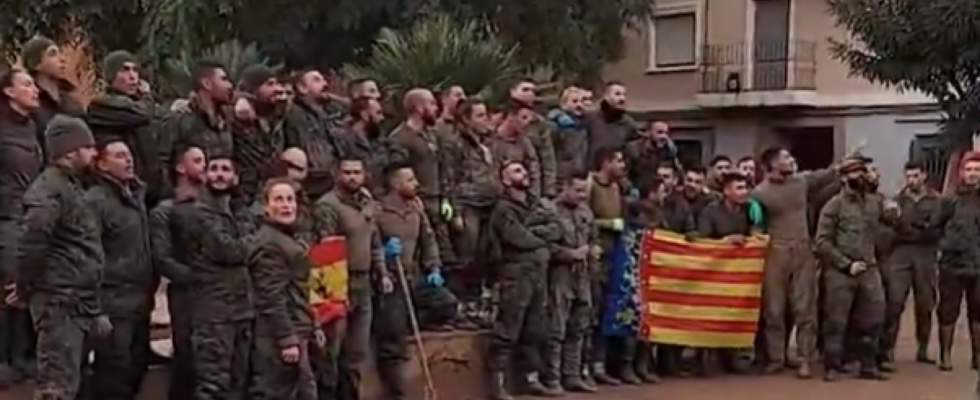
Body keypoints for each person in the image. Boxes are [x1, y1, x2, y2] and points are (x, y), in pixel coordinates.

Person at [16, 115, 111, 400]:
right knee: (56, 387)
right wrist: (26, 286)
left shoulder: (71, 187)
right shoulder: (49, 190)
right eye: (89, 146)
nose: (94, 153)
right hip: (59, 302)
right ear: (70, 151)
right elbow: (32, 240)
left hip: (77, 301)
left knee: (72, 381)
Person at [171, 153, 254, 399]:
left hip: (242, 310)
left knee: (238, 384)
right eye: (214, 169)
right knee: (212, 386)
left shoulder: (240, 211)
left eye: (226, 169)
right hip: (213, 313)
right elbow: (228, 250)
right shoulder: (198, 213)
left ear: (235, 177)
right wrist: (252, 242)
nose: (219, 174)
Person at [751, 146, 838, 378]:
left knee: (805, 308)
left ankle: (805, 359)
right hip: (774, 252)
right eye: (786, 157)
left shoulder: (802, 181)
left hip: (802, 250)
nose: (791, 160)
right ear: (772, 164)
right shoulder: (759, 194)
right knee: (774, 309)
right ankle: (775, 357)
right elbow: (754, 224)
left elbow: (830, 173)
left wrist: (852, 158)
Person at [373, 162, 458, 400]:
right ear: (395, 184)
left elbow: (428, 240)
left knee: (447, 303)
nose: (417, 184)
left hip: (413, 276)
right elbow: (368, 243)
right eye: (410, 180)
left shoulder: (416, 208)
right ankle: (396, 393)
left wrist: (433, 268)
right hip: (390, 280)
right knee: (392, 341)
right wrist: (383, 251)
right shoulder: (377, 211)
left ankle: (413, 323)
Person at [312, 156, 393, 400]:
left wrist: (383, 272)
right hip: (337, 285)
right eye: (347, 172)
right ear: (338, 174)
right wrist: (333, 292)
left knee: (356, 353)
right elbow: (323, 251)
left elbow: (375, 241)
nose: (352, 177)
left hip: (364, 282)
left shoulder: (367, 202)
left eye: (357, 172)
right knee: (331, 352)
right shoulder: (328, 206)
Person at [81, 139, 154, 400]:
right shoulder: (94, 202)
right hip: (112, 304)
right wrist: (96, 308)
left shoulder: (137, 196)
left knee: (136, 368)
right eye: (120, 156)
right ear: (102, 164)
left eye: (129, 154)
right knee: (113, 375)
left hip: (140, 301)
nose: (129, 160)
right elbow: (87, 257)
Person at [485, 161, 561, 400]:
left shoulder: (535, 203)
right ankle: (497, 384)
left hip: (539, 273)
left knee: (535, 329)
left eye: (524, 169)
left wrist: (535, 232)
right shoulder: (503, 209)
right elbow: (517, 238)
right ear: (506, 180)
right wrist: (540, 234)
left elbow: (558, 228)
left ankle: (530, 379)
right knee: (508, 329)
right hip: (515, 274)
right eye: (517, 171)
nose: (525, 173)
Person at [814, 156, 892, 381]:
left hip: (869, 269)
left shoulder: (873, 201)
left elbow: (889, 223)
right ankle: (832, 365)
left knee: (874, 317)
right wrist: (846, 264)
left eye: (861, 171)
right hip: (840, 273)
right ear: (843, 178)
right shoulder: (834, 205)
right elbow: (822, 242)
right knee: (836, 321)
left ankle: (868, 364)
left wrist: (892, 212)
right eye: (854, 172)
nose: (859, 176)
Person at [247, 178, 318, 400]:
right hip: (277, 336)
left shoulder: (286, 238)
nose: (287, 205)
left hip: (296, 329)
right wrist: (287, 339)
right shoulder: (270, 244)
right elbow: (271, 297)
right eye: (278, 200)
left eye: (290, 199)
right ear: (266, 207)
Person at [149, 144, 206, 400]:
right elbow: (162, 258)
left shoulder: (212, 206)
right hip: (185, 292)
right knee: (187, 358)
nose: (204, 166)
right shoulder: (165, 210)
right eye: (197, 160)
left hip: (214, 294)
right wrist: (194, 277)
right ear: (181, 167)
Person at [0, 68, 42, 387]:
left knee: (29, 282)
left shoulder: (33, 127)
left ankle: (24, 354)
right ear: (9, 92)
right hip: (7, 216)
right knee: (11, 285)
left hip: (31, 214)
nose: (35, 89)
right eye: (26, 84)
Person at [542, 171, 599, 395]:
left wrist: (594, 249)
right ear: (564, 187)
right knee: (557, 328)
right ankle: (552, 377)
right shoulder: (549, 211)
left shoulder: (586, 212)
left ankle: (572, 375)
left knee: (579, 327)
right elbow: (543, 244)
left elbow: (594, 237)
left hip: (583, 275)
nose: (582, 195)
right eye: (577, 190)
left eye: (584, 190)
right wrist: (569, 254)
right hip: (559, 274)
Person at [387, 88, 456, 272]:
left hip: (437, 201)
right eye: (432, 103)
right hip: (418, 204)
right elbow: (396, 175)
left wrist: (446, 197)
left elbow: (442, 167)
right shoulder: (400, 138)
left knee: (445, 253)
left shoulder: (432, 134)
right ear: (418, 107)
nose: (436, 108)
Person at [879, 161, 940, 369]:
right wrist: (911, 228)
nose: (912, 180)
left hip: (925, 253)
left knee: (925, 302)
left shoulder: (936, 200)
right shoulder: (897, 200)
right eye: (909, 176)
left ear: (924, 176)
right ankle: (888, 349)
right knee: (894, 301)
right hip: (901, 253)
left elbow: (936, 228)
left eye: (916, 176)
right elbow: (890, 227)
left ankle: (923, 347)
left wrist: (909, 227)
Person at [925, 151, 980, 371]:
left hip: (978, 265)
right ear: (961, 173)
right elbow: (935, 226)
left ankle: (977, 357)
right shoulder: (949, 200)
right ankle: (945, 355)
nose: (973, 174)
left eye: (977, 170)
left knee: (978, 312)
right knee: (947, 311)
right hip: (952, 264)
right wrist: (945, 246)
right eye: (969, 170)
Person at [87, 50, 163, 207]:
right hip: (121, 191)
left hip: (147, 190)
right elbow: (143, 114)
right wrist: (148, 96)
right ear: (111, 76)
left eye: (135, 70)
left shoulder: (137, 106)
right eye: (125, 70)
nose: (132, 76)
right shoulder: (103, 105)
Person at [447, 99, 499, 325]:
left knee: (485, 256)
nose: (485, 119)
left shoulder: (485, 144)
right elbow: (449, 178)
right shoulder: (455, 143)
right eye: (479, 115)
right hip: (468, 204)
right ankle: (459, 305)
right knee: (465, 256)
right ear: (466, 119)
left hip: (489, 204)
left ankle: (477, 304)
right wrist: (455, 211)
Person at [586, 147, 632, 385]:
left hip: (613, 256)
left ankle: (600, 365)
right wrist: (606, 223)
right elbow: (581, 217)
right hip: (592, 257)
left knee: (607, 310)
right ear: (606, 162)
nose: (623, 165)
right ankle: (583, 368)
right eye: (619, 160)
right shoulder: (589, 185)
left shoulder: (616, 188)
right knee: (589, 313)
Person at [158, 61, 235, 197]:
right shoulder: (181, 120)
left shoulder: (225, 122)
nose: (230, 86)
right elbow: (162, 161)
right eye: (224, 79)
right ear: (207, 83)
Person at [285, 68, 345, 200]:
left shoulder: (325, 116)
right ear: (302, 88)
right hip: (314, 188)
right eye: (317, 80)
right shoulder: (296, 115)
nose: (325, 85)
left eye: (324, 80)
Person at [20, 36, 86, 154]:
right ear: (36, 64)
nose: (62, 59)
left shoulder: (72, 102)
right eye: (52, 54)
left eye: (60, 53)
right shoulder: (30, 104)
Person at [232, 65, 287, 202]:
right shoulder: (234, 114)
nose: (277, 89)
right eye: (270, 84)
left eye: (277, 83)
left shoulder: (277, 115)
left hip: (273, 190)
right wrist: (240, 98)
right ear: (253, 89)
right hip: (244, 194)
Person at [509, 79, 557, 198]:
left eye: (533, 91)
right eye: (525, 89)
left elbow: (547, 158)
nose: (530, 93)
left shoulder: (539, 123)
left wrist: (549, 189)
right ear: (512, 92)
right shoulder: (500, 117)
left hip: (533, 183)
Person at [490, 103, 541, 198]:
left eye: (529, 120)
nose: (526, 123)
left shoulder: (525, 142)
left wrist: (533, 195)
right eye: (523, 118)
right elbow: (493, 174)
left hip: (524, 196)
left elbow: (534, 169)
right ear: (511, 116)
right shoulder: (492, 141)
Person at [584, 82, 637, 168]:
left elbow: (632, 153)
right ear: (606, 96)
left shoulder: (628, 123)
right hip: (592, 173)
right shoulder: (590, 119)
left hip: (616, 173)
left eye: (624, 95)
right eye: (617, 94)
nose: (622, 98)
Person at [548, 87, 589, 179]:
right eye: (574, 101)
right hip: (561, 176)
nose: (579, 105)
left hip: (580, 175)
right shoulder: (555, 125)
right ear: (564, 104)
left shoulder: (584, 125)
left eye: (581, 101)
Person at [623, 121, 678, 187]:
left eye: (666, 133)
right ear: (648, 133)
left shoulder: (667, 150)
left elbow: (678, 173)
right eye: (660, 132)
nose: (664, 137)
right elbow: (622, 175)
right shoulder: (633, 149)